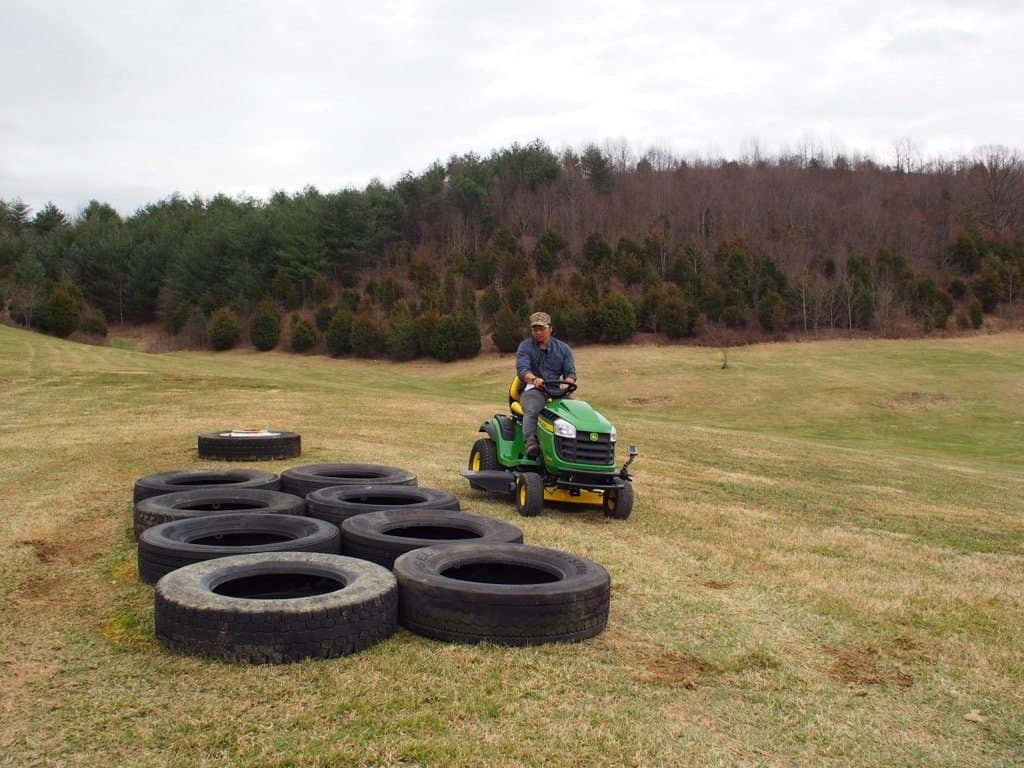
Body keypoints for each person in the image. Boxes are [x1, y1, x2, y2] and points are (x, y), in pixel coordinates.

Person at [515, 311, 577, 459]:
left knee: (573, 413)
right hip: (533, 389)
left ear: (550, 328)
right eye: (535, 329)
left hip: (556, 391)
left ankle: (571, 449)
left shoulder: (563, 349)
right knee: (532, 409)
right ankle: (531, 444)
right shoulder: (525, 347)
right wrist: (534, 379)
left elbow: (570, 373)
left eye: (541, 329)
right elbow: (522, 370)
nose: (538, 332)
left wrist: (567, 385)